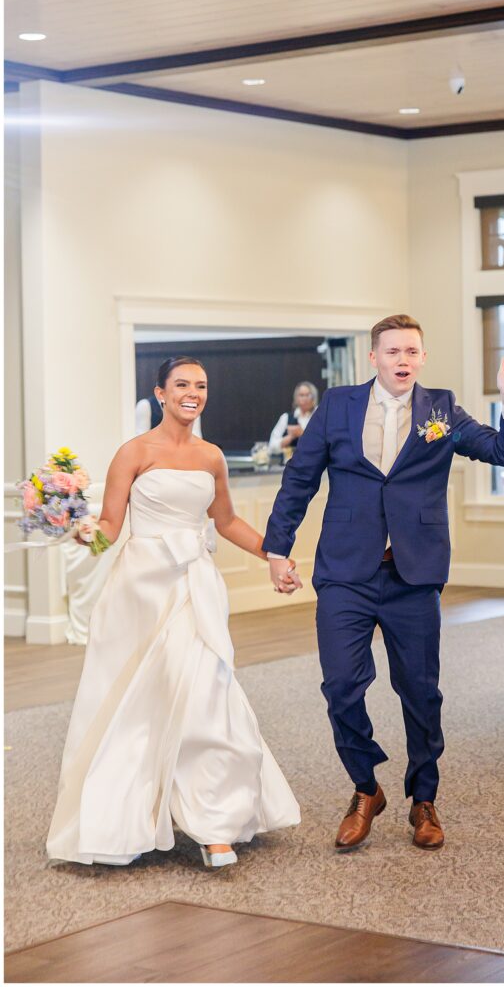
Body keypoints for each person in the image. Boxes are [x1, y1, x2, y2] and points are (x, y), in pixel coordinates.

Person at [263, 315, 504, 851]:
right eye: (392, 352)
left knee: (420, 692)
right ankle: (366, 788)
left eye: (411, 351)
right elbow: (301, 478)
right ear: (374, 358)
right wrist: (277, 549)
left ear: (423, 357)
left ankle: (423, 800)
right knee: (341, 686)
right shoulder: (338, 405)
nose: (402, 360)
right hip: (345, 571)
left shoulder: (442, 409)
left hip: (413, 571)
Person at [47, 356, 301, 869]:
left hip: (196, 586)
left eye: (201, 385)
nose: (193, 392)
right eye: (182, 384)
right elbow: (110, 529)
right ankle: (129, 818)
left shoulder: (211, 457)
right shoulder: (134, 452)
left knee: (208, 691)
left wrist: (275, 555)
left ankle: (215, 825)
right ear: (161, 393)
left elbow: (226, 521)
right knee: (143, 701)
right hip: (142, 590)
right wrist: (74, 527)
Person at [268, 381, 318, 455]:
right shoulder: (286, 418)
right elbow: (272, 447)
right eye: (301, 395)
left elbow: (324, 445)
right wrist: (290, 437)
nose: (304, 398)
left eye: (308, 395)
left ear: (314, 398)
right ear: (296, 398)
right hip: (289, 463)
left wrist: (302, 434)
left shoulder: (320, 417)